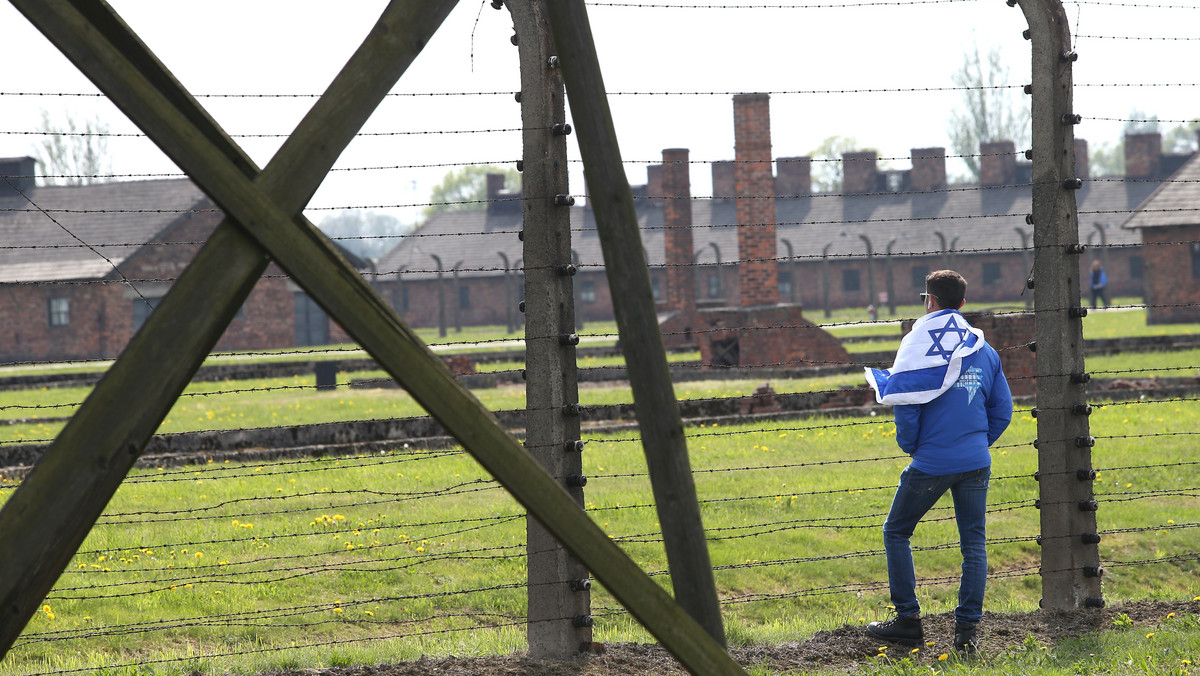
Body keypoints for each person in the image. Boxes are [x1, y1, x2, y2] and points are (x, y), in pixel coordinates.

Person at [862, 270, 1013, 653]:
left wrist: (915, 448)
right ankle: (967, 635)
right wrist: (977, 443)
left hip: (931, 462)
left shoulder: (916, 346)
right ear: (963, 304)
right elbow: (1003, 411)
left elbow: (907, 403)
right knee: (973, 545)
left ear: (928, 300)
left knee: (896, 531)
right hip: (976, 461)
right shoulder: (985, 350)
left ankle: (908, 621)